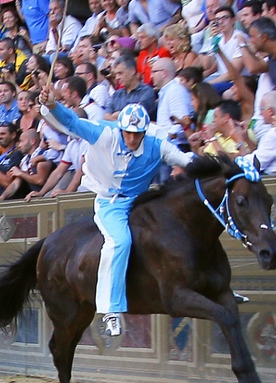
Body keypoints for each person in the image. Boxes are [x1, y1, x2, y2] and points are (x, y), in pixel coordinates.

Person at [39, 87, 193, 337]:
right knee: (119, 243)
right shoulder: (103, 133)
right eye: (128, 134)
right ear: (120, 129)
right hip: (111, 204)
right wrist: (53, 104)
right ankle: (110, 310)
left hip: (142, 201)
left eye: (137, 135)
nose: (132, 140)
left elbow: (187, 161)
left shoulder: (157, 144)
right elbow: (72, 122)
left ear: (145, 131)